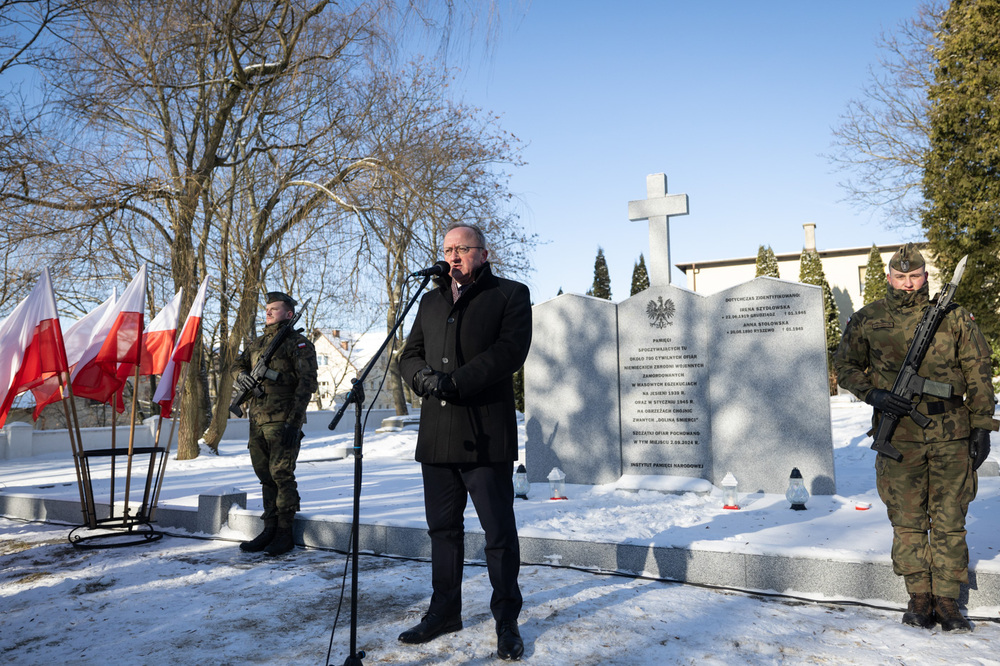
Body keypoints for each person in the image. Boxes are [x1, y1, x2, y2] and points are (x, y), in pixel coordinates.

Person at [834, 243, 997, 633]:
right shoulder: (868, 318)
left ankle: (948, 600)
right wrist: (873, 394)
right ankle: (919, 597)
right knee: (907, 520)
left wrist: (982, 426)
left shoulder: (954, 317)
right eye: (900, 277)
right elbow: (845, 365)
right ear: (889, 277)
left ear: (925, 276)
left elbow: (978, 370)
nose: (908, 284)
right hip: (900, 437)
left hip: (951, 433)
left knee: (950, 519)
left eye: (915, 276)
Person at [397, 222, 532, 661]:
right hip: (437, 436)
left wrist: (456, 382)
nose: (453, 255)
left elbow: (509, 352)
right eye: (448, 249)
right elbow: (409, 355)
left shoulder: (510, 295)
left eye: (462, 248)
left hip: (485, 435)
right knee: (442, 531)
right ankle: (444, 612)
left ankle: (506, 620)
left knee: (498, 533)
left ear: (483, 254)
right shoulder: (430, 300)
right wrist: (421, 377)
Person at [235, 291, 318, 556]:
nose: (268, 312)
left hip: (283, 419)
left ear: (289, 314)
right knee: (265, 476)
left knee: (281, 475)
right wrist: (242, 376)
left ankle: (284, 532)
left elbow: (307, 384)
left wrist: (294, 422)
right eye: (267, 308)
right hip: (258, 420)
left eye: (275, 308)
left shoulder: (298, 343)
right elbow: (236, 365)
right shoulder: (258, 343)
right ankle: (269, 528)